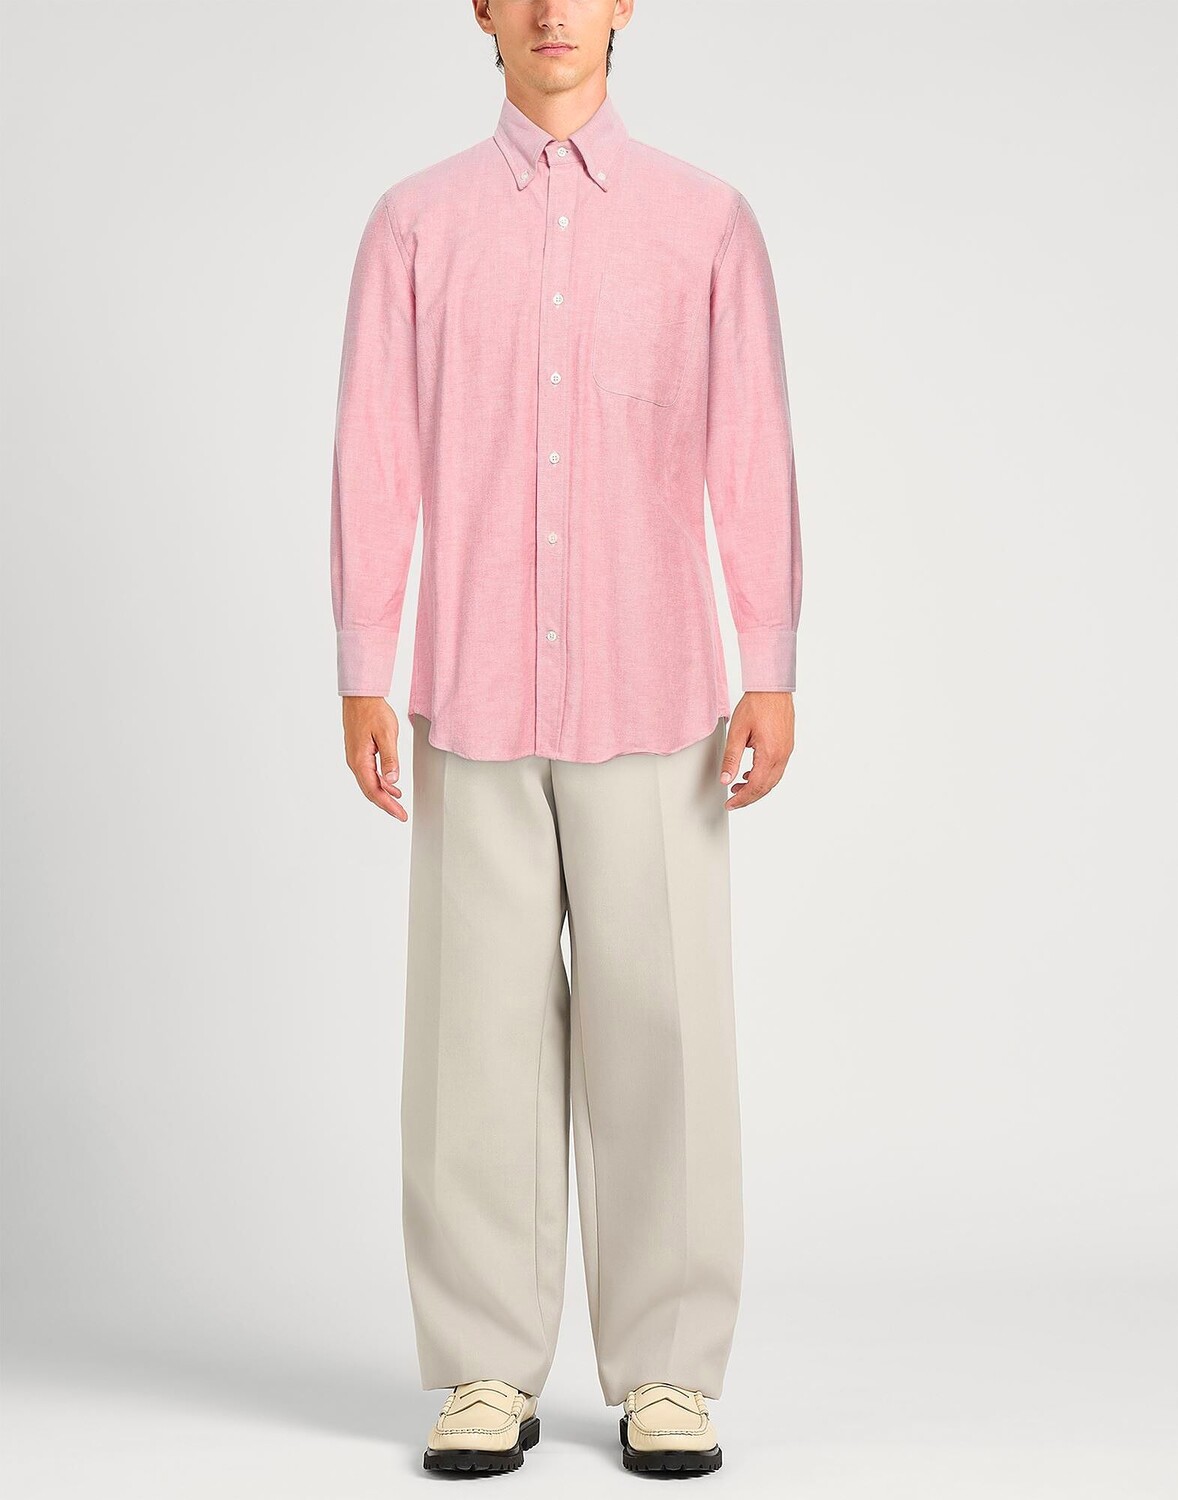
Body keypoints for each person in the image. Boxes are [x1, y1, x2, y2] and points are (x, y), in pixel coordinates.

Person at [329, 0, 802, 1477]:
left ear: (622, 5)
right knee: (472, 1041)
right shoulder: (414, 228)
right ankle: (484, 1367)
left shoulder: (704, 222)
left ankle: (668, 1371)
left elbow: (750, 446)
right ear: (479, 8)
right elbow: (373, 451)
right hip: (471, 691)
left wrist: (770, 660)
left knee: (664, 1036)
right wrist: (362, 662)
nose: (550, 11)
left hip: (657, 695)